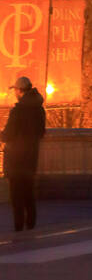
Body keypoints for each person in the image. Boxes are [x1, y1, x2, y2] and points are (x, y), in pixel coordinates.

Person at [2, 76, 46, 232]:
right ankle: (31, 223)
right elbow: (41, 132)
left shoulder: (18, 111)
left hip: (16, 159)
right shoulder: (39, 109)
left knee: (16, 196)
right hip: (31, 157)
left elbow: (8, 134)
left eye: (15, 90)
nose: (14, 93)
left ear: (20, 91)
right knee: (28, 192)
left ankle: (19, 226)